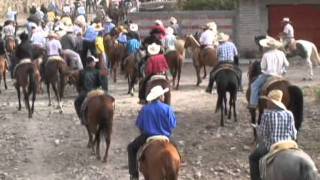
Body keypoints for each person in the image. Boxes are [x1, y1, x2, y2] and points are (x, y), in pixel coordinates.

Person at [127, 85, 177, 180]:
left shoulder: (145, 109)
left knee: (131, 148)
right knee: (176, 150)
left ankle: (134, 175)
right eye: (163, 95)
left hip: (148, 136)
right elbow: (172, 125)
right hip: (165, 136)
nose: (164, 96)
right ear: (160, 96)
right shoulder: (168, 108)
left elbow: (140, 126)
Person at [249, 89, 297, 180]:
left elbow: (262, 134)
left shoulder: (267, 115)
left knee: (253, 158)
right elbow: (294, 133)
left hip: (272, 146)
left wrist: (257, 128)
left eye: (268, 101)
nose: (267, 103)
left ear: (273, 103)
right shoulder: (289, 114)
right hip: (288, 145)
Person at [248, 37, 289, 109]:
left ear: (268, 46)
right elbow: (287, 64)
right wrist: (283, 72)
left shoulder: (266, 55)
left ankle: (253, 104)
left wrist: (266, 69)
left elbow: (263, 67)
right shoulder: (281, 53)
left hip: (268, 76)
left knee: (254, 86)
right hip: (279, 76)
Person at [74, 56, 108, 124]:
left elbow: (79, 84)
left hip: (85, 92)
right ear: (91, 63)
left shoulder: (81, 72)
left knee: (77, 102)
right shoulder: (97, 71)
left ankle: (81, 118)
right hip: (96, 91)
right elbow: (100, 83)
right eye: (94, 62)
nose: (95, 63)